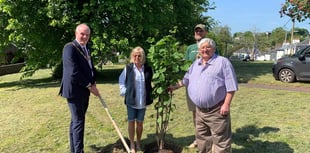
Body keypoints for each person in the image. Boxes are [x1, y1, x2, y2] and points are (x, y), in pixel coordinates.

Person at [170, 38, 238, 153]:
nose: (205, 50)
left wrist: (226, 104)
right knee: (203, 140)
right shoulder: (195, 64)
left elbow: (231, 86)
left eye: (208, 47)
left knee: (221, 142)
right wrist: (174, 87)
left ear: (214, 49)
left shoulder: (222, 62)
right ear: (199, 50)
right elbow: (186, 80)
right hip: (200, 111)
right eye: (202, 48)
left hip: (217, 110)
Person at [59, 23, 100, 153]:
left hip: (84, 90)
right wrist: (89, 85)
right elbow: (73, 72)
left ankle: (74, 150)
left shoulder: (86, 48)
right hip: (74, 91)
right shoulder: (69, 48)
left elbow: (89, 68)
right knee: (79, 122)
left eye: (87, 35)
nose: (85, 37)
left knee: (76, 121)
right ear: (76, 33)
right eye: (82, 34)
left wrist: (93, 82)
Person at [118, 46, 153, 153]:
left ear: (143, 57)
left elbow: (152, 81)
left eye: (139, 55)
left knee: (140, 123)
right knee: (131, 122)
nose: (137, 57)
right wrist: (125, 92)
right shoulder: (128, 68)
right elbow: (121, 81)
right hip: (131, 101)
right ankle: (132, 143)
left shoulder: (148, 68)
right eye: (135, 55)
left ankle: (138, 142)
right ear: (132, 56)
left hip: (142, 101)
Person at [184, 23, 208, 148]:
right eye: (197, 31)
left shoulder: (210, 46)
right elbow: (185, 66)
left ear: (205, 33)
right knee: (195, 113)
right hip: (192, 86)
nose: (198, 32)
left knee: (206, 113)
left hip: (205, 86)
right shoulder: (190, 48)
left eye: (201, 31)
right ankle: (198, 139)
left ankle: (208, 139)